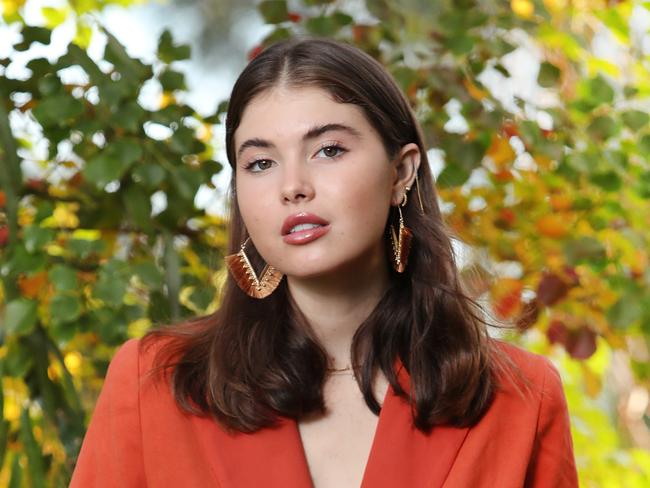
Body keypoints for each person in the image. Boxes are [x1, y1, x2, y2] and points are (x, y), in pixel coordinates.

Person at [70, 37, 578, 487]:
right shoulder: (154, 381)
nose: (293, 186)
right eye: (261, 163)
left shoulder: (521, 397)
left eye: (329, 150)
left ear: (401, 172)